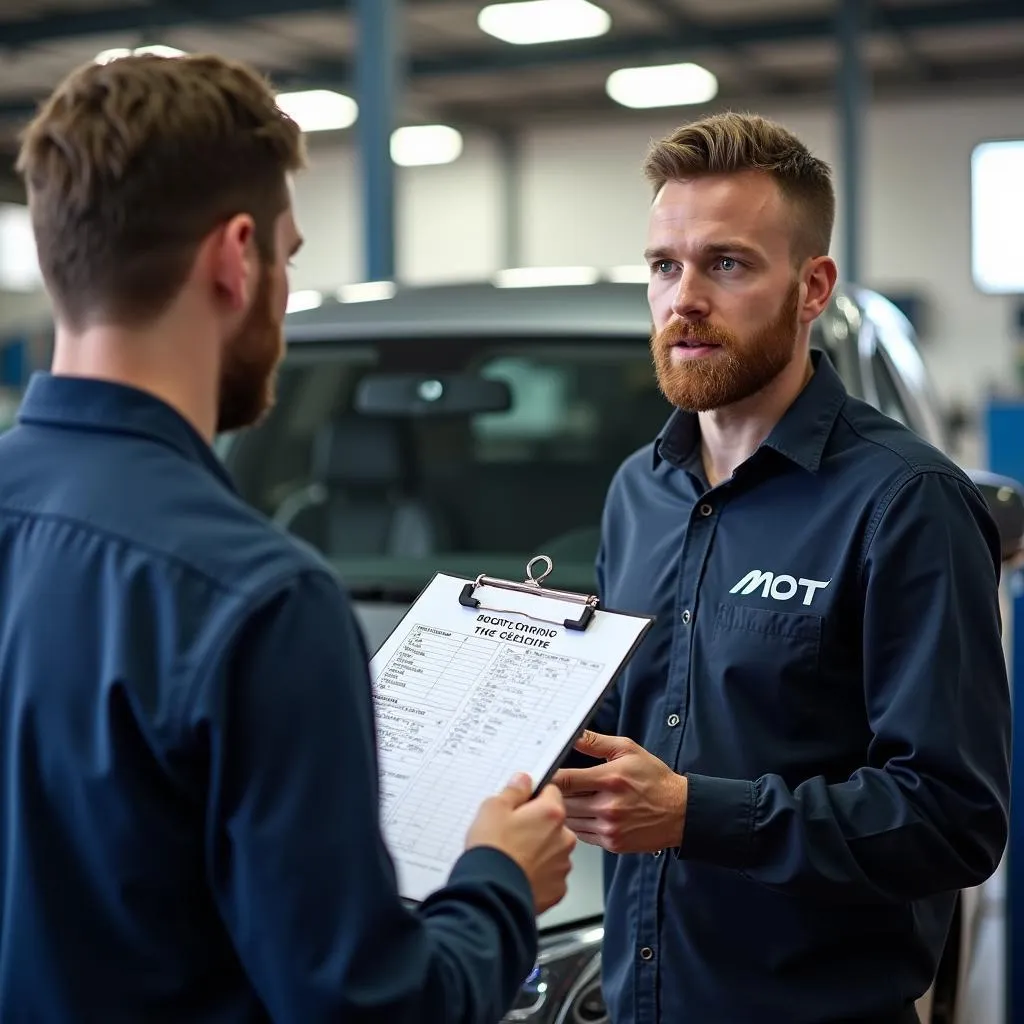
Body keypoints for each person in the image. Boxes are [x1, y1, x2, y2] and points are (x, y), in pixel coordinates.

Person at [0, 52, 576, 1022]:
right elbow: (364, 1007)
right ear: (236, 257)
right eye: (289, 253)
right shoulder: (259, 599)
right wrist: (499, 883)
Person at [554, 112, 1011, 1024]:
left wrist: (696, 813)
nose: (684, 298)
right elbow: (623, 714)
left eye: (726, 264)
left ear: (812, 287)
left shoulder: (904, 502)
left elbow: (952, 818)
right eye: (663, 266)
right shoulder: (639, 491)